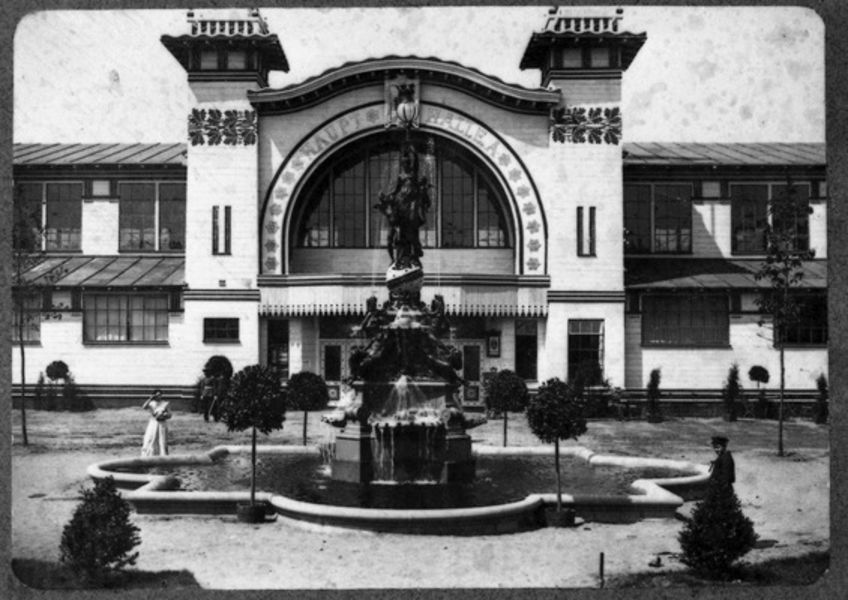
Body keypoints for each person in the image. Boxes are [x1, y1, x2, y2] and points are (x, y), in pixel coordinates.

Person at [141, 389, 171, 456]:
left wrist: (164, 415)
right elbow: (144, 407)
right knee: (150, 438)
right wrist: (150, 399)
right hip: (153, 423)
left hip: (162, 424)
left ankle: (162, 454)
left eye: (160, 395)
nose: (158, 396)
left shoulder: (165, 403)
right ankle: (149, 454)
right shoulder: (151, 403)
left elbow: (170, 415)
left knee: (162, 439)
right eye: (157, 395)